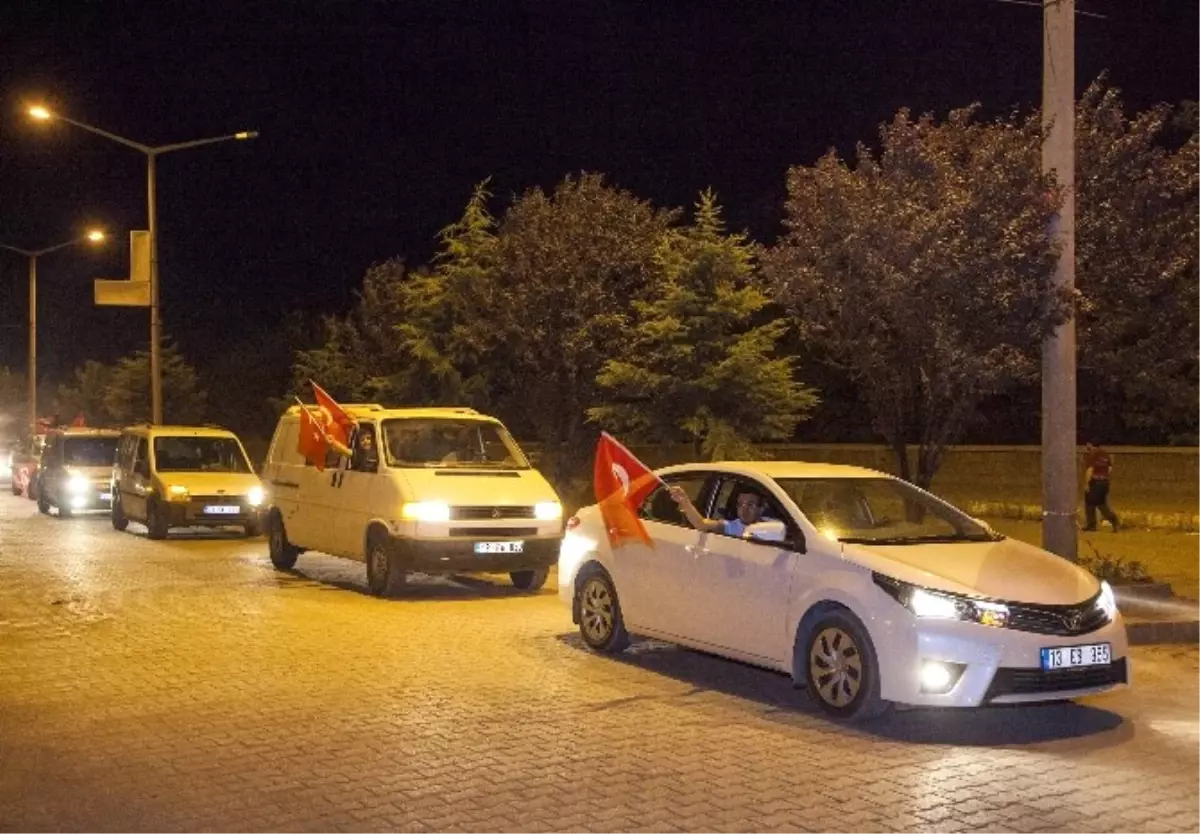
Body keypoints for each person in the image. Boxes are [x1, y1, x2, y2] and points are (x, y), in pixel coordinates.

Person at [668, 485, 765, 537]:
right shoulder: (731, 527)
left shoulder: (775, 525)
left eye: (750, 505)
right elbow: (701, 524)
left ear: (761, 509)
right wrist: (684, 501)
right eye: (740, 504)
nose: (744, 509)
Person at [1082, 441, 1120, 532]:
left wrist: (1086, 483)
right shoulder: (1105, 454)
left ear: (1090, 445)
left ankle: (1094, 524)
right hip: (1104, 482)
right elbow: (1110, 469)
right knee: (1099, 503)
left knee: (1093, 503)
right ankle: (1112, 522)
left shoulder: (1092, 455)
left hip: (1095, 482)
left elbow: (1090, 470)